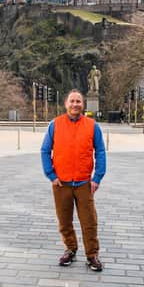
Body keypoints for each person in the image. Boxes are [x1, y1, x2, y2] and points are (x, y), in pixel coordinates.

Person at [41, 89, 106, 271]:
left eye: (78, 101)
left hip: (84, 182)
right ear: (66, 104)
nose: (75, 104)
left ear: (82, 104)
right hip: (61, 183)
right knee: (64, 220)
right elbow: (45, 151)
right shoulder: (55, 125)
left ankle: (92, 255)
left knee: (89, 221)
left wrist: (97, 177)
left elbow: (100, 152)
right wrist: (51, 175)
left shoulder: (92, 126)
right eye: (72, 101)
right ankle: (70, 249)